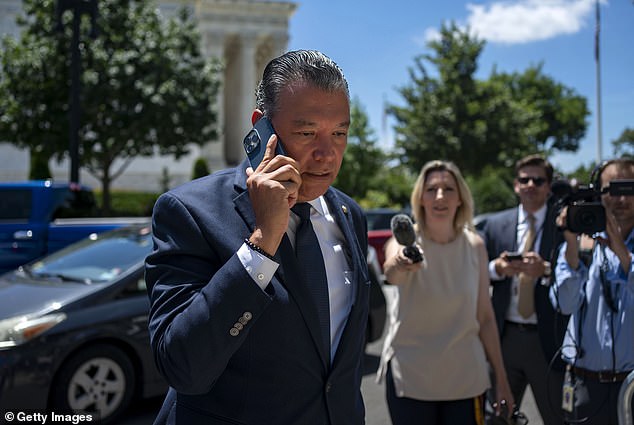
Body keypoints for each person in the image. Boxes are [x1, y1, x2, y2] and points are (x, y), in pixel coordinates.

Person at [145, 50, 371, 425]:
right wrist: (262, 242)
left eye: (340, 133)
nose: (327, 154)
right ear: (261, 128)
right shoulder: (188, 211)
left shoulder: (351, 215)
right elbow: (182, 366)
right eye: (306, 132)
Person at [377, 160, 514, 425]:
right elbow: (391, 272)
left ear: (461, 198)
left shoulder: (475, 245)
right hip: (411, 379)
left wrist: (502, 379)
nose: (440, 196)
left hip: (465, 381)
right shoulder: (403, 240)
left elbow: (485, 318)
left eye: (448, 189)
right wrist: (402, 262)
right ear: (421, 198)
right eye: (432, 189)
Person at [478, 154, 568, 425]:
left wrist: (547, 270)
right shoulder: (495, 225)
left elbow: (578, 273)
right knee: (498, 418)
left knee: (557, 417)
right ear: (515, 185)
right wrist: (498, 268)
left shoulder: (564, 225)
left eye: (538, 180)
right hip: (505, 338)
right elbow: (478, 270)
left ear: (549, 186)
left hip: (548, 341)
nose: (530, 185)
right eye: (524, 179)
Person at [549, 158, 634, 425]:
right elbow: (565, 304)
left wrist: (621, 251)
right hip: (584, 384)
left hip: (632, 386)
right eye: (612, 189)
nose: (620, 199)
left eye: (627, 189)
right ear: (598, 193)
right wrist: (572, 246)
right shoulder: (583, 242)